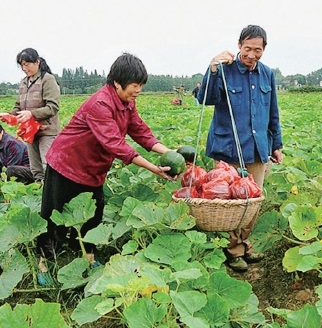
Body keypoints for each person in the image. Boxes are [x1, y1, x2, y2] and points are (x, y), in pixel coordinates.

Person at [36, 53, 176, 284]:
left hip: (93, 168)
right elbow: (115, 144)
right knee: (55, 216)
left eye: (141, 85)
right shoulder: (100, 104)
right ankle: (44, 263)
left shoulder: (127, 103)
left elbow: (140, 132)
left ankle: (89, 257)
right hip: (67, 163)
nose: (138, 90)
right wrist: (154, 168)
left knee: (94, 215)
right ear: (117, 83)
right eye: (134, 85)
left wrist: (170, 152)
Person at [197, 25, 283, 272]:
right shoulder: (223, 70)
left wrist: (276, 145)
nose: (252, 55)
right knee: (229, 200)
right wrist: (213, 67)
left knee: (251, 201)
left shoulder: (267, 75)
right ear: (239, 45)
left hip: (257, 149)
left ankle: (243, 242)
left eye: (258, 50)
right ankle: (232, 249)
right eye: (247, 49)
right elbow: (206, 98)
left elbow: (272, 112)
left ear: (264, 49)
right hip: (227, 149)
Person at [0, 48, 60, 183]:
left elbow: (52, 107)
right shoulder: (24, 82)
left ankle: (51, 196)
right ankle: (38, 192)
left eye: (27, 64)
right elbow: (18, 105)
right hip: (30, 131)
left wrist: (31, 114)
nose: (24, 68)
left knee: (47, 165)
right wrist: (9, 115)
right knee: (35, 168)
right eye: (22, 65)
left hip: (46, 131)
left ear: (37, 62)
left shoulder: (47, 79)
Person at [0, 119, 34, 184]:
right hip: (16, 170)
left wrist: (3, 180)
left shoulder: (12, 143)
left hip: (30, 171)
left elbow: (14, 165)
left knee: (11, 170)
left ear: (1, 131)